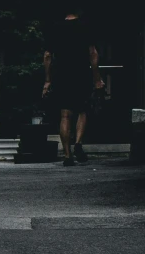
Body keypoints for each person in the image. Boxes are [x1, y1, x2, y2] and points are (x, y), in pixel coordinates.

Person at [43, 10, 102, 167]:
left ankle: (67, 155)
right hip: (81, 72)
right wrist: (97, 78)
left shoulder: (55, 28)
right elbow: (93, 53)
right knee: (82, 111)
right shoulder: (85, 27)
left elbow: (47, 55)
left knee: (65, 115)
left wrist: (47, 80)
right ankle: (78, 143)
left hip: (62, 74)